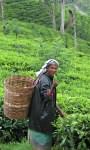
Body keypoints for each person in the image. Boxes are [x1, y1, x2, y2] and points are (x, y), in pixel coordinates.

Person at [28, 59, 64, 150]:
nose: (54, 70)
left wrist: (61, 112)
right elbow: (47, 97)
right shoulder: (44, 80)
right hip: (42, 117)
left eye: (56, 68)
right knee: (42, 145)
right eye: (52, 68)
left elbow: (52, 100)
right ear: (47, 68)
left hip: (40, 116)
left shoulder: (46, 78)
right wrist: (53, 87)